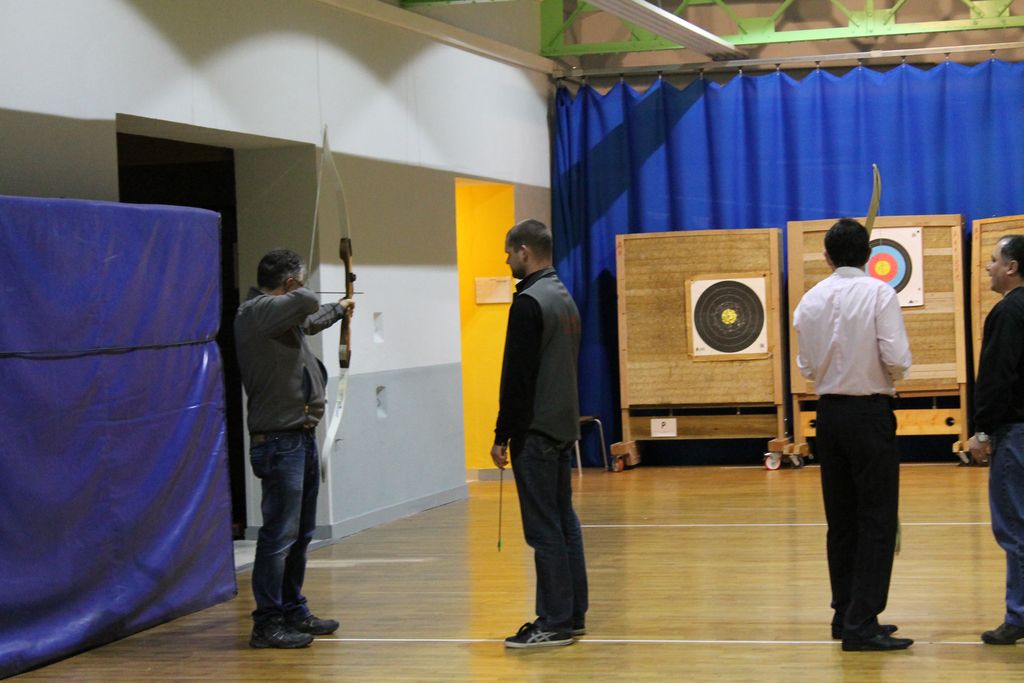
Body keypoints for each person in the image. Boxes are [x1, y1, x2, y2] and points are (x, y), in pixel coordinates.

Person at [793, 218, 914, 651]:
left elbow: (806, 368)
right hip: (869, 414)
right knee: (877, 518)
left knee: (841, 520)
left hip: (828, 417)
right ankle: (862, 622)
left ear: (826, 257)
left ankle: (846, 614)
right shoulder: (880, 293)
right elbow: (897, 358)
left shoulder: (809, 300)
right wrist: (889, 373)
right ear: (869, 256)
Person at [235, 249, 354, 649]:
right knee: (278, 536)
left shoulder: (278, 316)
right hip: (278, 441)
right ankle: (266, 623)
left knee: (301, 534)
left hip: (299, 437)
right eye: (298, 281)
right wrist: (309, 294)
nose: (303, 289)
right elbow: (305, 303)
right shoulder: (254, 313)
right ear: (288, 284)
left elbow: (309, 317)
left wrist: (340, 308)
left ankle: (292, 609)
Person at [490, 219, 588, 649]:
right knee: (564, 524)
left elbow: (518, 378)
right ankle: (573, 613)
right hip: (562, 428)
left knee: (544, 530)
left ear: (525, 251)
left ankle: (554, 621)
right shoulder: (564, 297)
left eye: (509, 253)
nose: (508, 260)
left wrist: (501, 434)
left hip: (536, 433)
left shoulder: (529, 302)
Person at [967, 234, 1024, 645]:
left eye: (992, 260)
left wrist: (983, 429)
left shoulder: (1007, 313)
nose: (987, 267)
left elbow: (996, 378)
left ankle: (1019, 615)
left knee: (1016, 529)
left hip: (1016, 435)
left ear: (1011, 267)